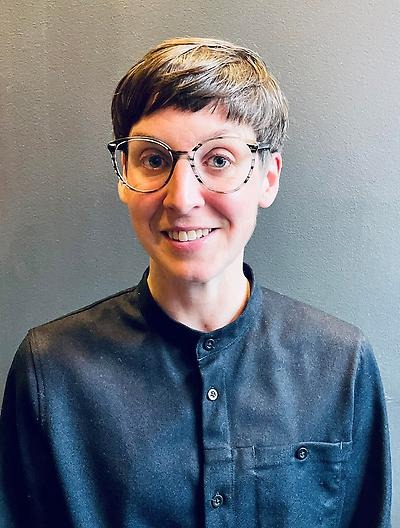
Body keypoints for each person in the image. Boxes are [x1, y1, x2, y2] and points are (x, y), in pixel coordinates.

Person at [0, 37, 391, 528]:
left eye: (219, 159)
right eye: (154, 159)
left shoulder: (341, 363)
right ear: (124, 176)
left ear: (268, 177)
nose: (182, 198)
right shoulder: (52, 370)